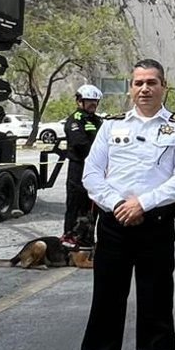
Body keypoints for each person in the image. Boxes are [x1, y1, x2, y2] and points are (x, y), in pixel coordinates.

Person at [65, 59, 175, 350]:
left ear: (163, 87)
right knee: (105, 307)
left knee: (156, 307)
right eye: (139, 82)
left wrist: (143, 203)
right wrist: (117, 204)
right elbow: (92, 174)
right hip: (114, 226)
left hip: (156, 226)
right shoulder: (111, 127)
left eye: (152, 82)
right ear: (130, 88)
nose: (145, 89)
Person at [62, 84, 104, 245]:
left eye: (95, 101)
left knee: (92, 207)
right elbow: (80, 144)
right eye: (89, 101)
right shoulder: (75, 120)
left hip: (96, 170)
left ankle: (87, 241)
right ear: (80, 101)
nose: (93, 104)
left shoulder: (98, 120)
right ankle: (70, 239)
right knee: (76, 205)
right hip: (79, 168)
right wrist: (99, 154)